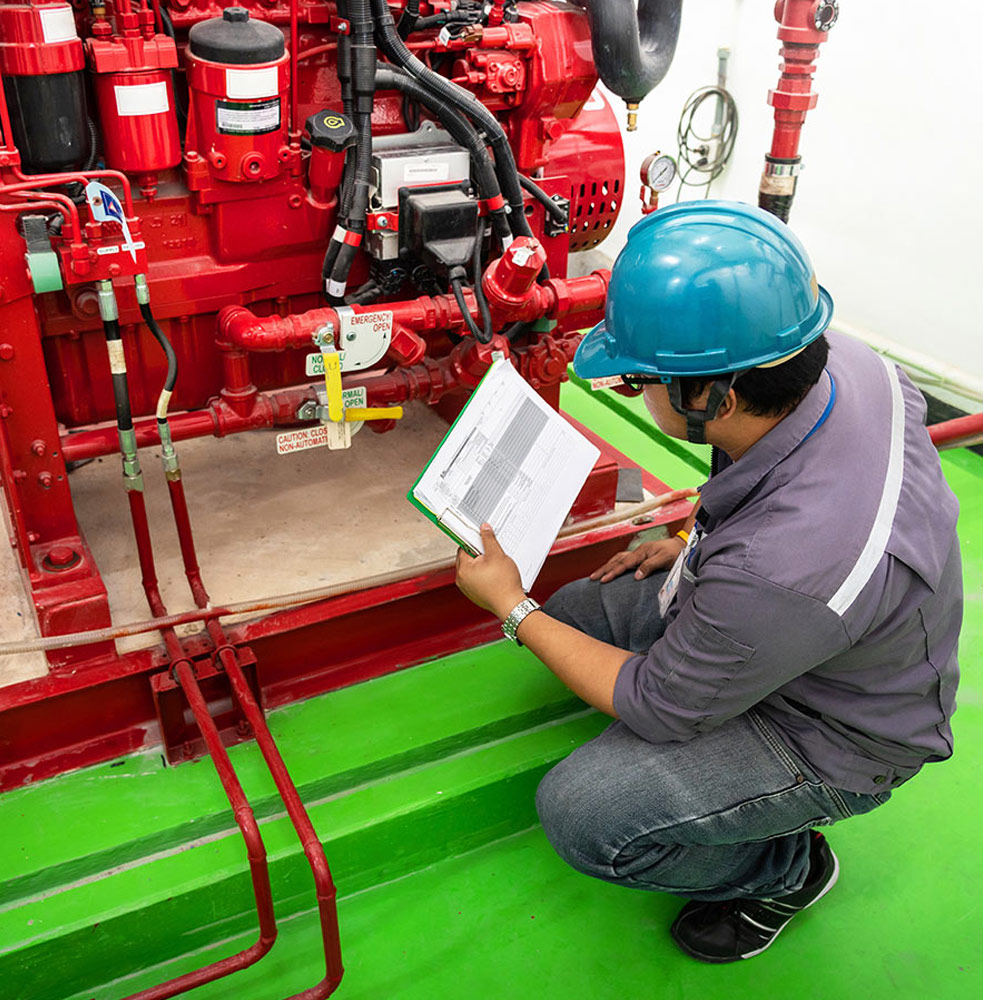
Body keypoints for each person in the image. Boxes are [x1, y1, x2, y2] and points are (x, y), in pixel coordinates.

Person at [455, 201, 962, 963]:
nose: (633, 393)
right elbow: (763, 491)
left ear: (713, 397)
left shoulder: (781, 569)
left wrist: (510, 607)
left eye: (637, 382)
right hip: (802, 629)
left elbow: (656, 707)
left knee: (584, 814)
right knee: (582, 611)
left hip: (836, 733)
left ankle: (783, 870)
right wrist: (697, 536)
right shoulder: (844, 363)